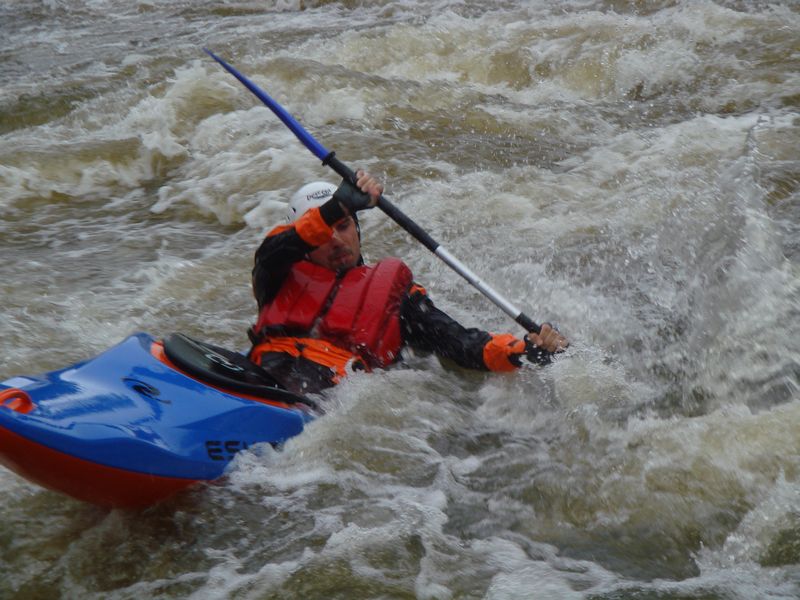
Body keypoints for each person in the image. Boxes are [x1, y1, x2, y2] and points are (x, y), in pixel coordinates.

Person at [249, 171, 568, 394]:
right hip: (263, 374)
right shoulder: (277, 271)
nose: (336, 239)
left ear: (357, 228)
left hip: (327, 394)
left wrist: (525, 349)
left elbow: (463, 344)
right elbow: (276, 248)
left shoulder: (396, 299)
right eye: (325, 230)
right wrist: (336, 207)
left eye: (344, 225)